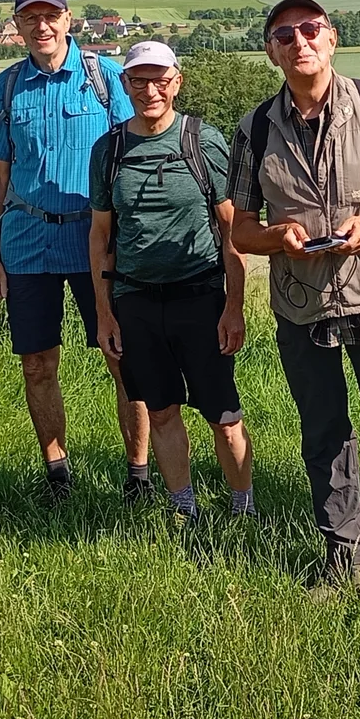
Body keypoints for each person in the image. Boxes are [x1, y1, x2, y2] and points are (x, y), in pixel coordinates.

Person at [228, 0, 360, 595]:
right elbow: (240, 229)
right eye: (285, 34)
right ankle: (342, 558)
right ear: (271, 50)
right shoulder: (255, 129)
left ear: (332, 38)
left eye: (311, 29)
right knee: (324, 437)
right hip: (303, 306)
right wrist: (277, 237)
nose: (300, 41)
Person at [0, 0, 146, 505]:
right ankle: (57, 473)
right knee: (37, 363)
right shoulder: (4, 89)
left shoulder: (106, 78)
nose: (42, 26)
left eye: (51, 16)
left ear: (69, 20)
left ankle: (138, 476)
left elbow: (132, 154)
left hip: (97, 242)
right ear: (17, 25)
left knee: (123, 358)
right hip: (27, 243)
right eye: (31, 18)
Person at [88, 41, 255, 520]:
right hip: (135, 299)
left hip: (200, 294)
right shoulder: (110, 149)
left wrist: (233, 306)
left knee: (223, 416)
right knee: (159, 409)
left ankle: (242, 507)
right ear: (125, 86)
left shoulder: (203, 142)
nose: (150, 90)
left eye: (160, 79)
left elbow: (231, 230)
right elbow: (100, 236)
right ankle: (184, 508)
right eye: (138, 80)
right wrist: (104, 314)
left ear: (177, 82)